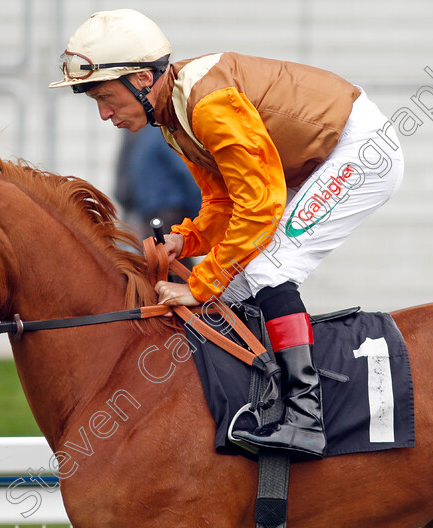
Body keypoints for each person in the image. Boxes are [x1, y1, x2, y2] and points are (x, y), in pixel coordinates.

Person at [49, 9, 404, 459]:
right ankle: (263, 397)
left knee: (268, 267)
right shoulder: (173, 114)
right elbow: (223, 202)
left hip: (360, 152)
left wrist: (199, 282)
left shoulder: (207, 106)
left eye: (105, 97)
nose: (103, 114)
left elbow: (259, 206)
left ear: (142, 79)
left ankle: (305, 418)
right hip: (315, 162)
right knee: (235, 286)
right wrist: (187, 241)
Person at [114, 126, 201, 240]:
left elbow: (188, 172)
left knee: (167, 253)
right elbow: (189, 173)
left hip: (162, 212)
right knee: (170, 253)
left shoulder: (148, 135)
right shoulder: (157, 132)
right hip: (164, 212)